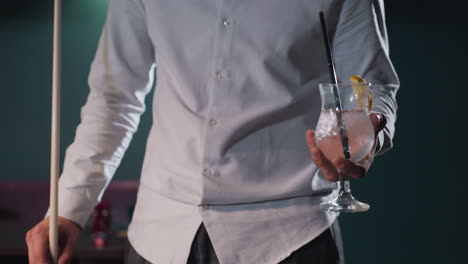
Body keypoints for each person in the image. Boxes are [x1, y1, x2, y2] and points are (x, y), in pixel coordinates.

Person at [25, 0, 399, 263]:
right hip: (159, 235)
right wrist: (70, 208)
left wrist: (371, 136)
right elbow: (113, 98)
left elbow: (372, 89)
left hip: (291, 237)